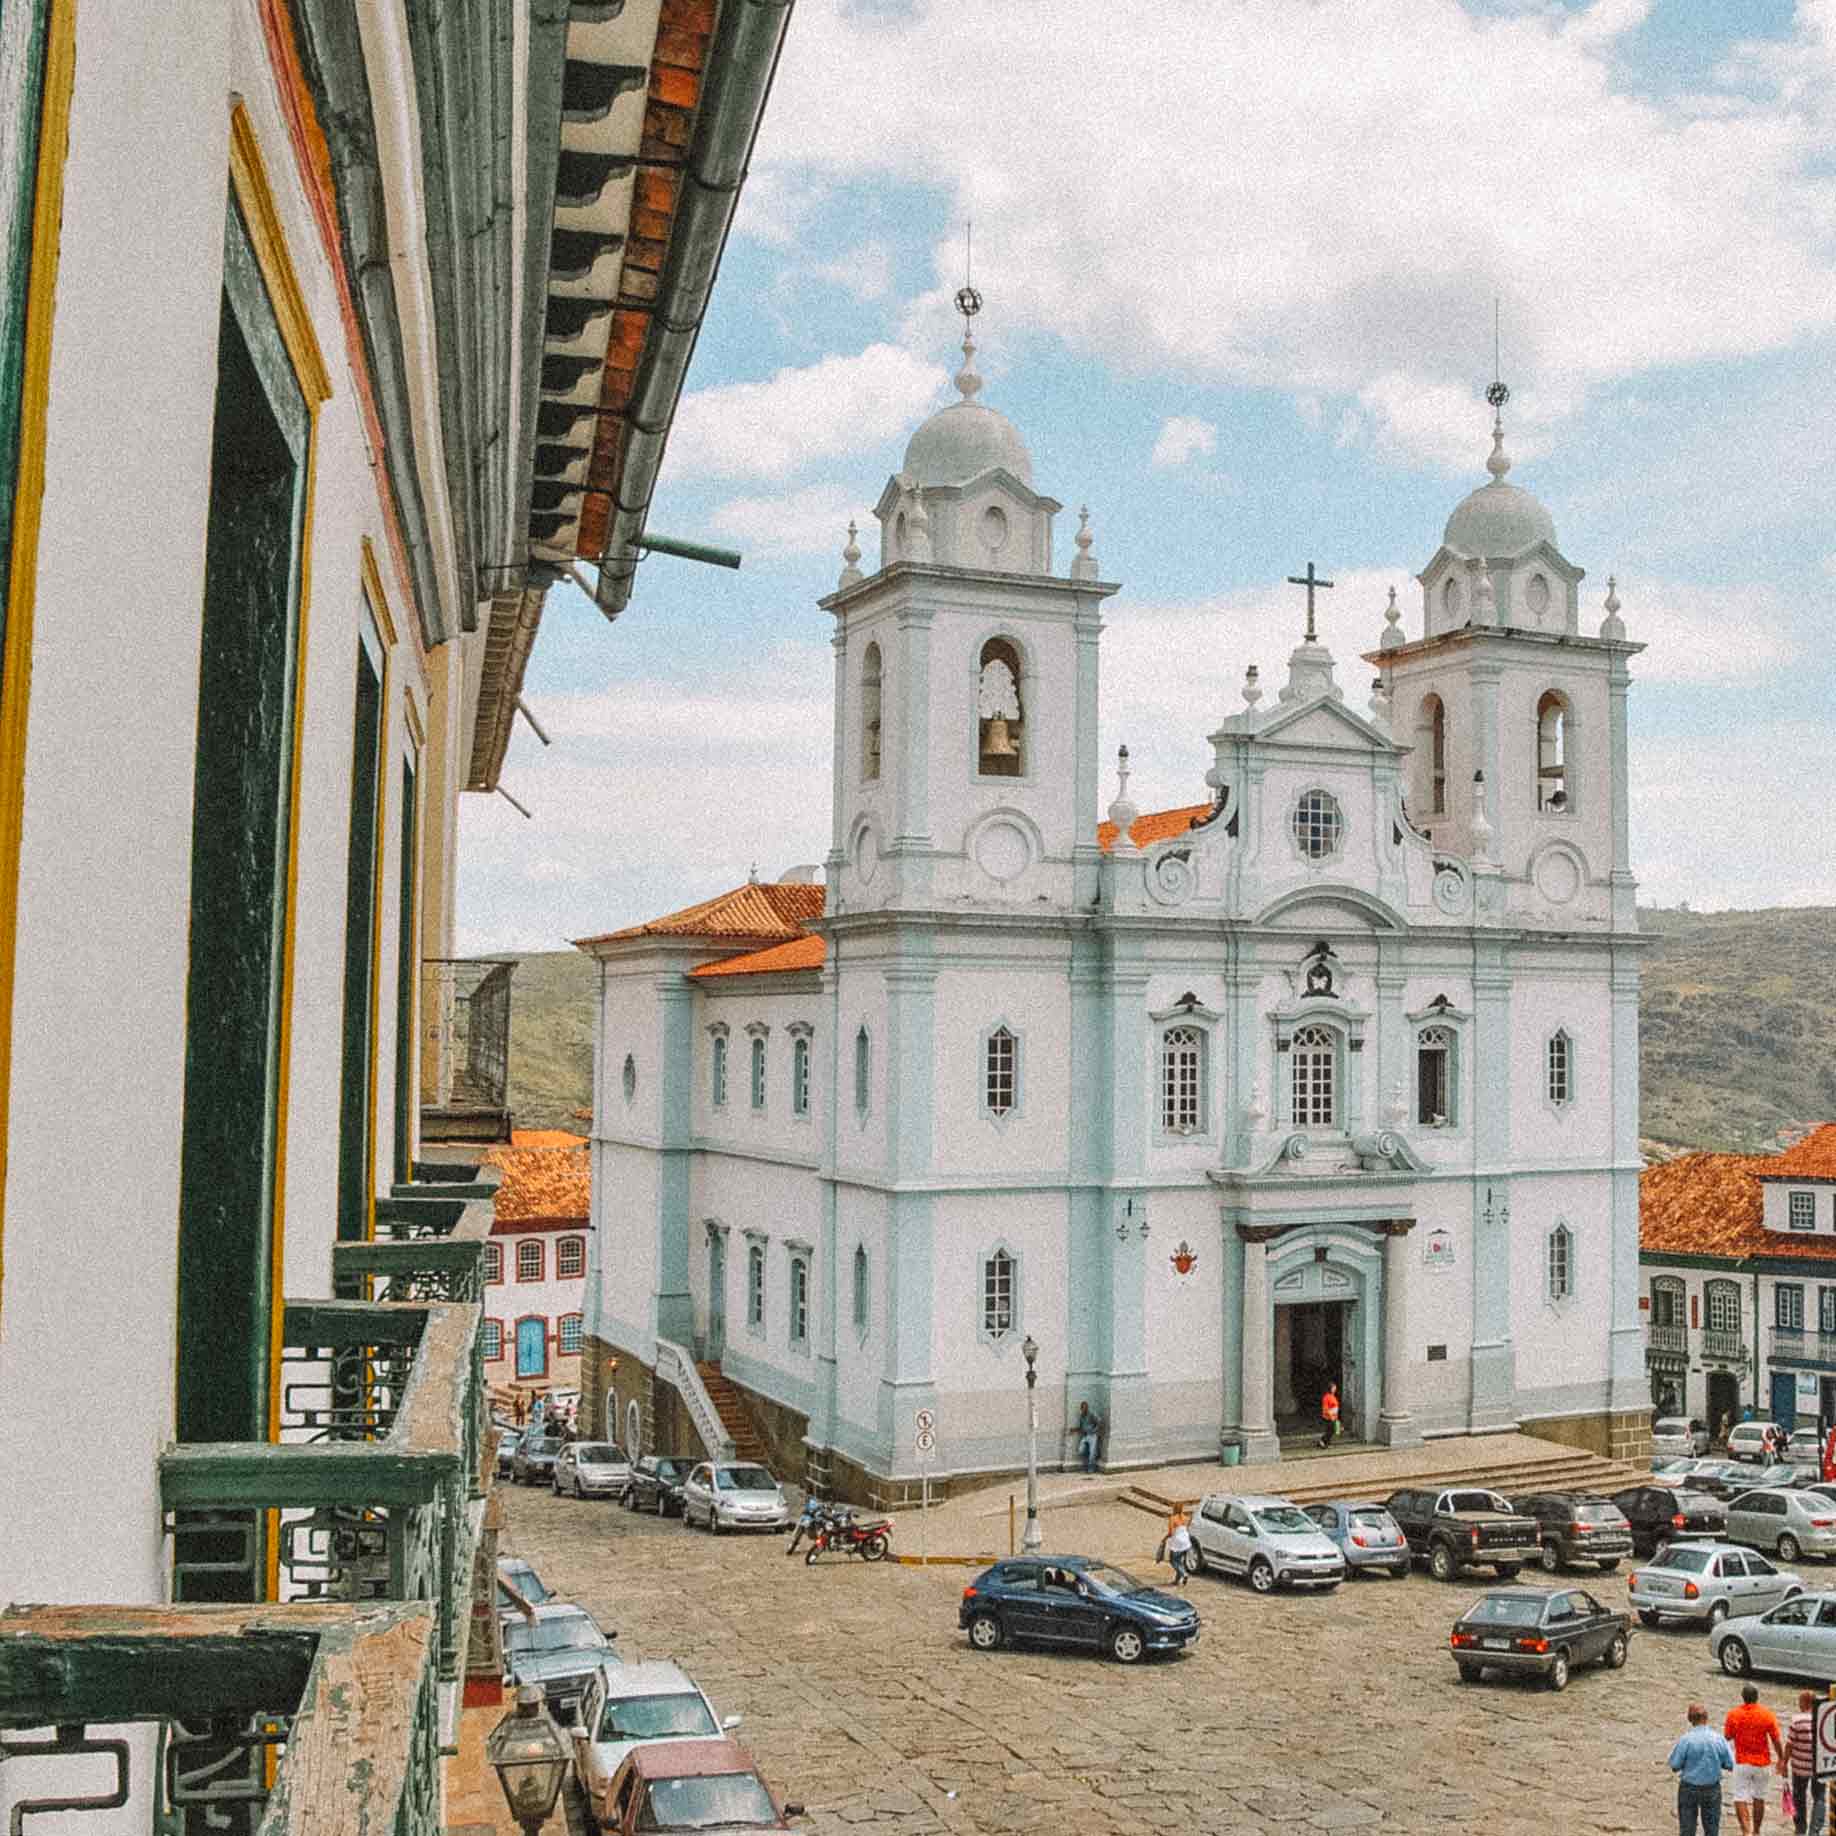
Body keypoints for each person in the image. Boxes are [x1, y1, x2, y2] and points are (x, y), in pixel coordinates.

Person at [1725, 1683, 1787, 1836]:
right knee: (1760, 1797)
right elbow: (1776, 1740)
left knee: (1740, 1796)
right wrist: (1781, 1759)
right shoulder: (1767, 1715)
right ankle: (1757, 1831)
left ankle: (1745, 1830)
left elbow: (1727, 1736)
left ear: (1743, 1697)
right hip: (1762, 1762)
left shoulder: (1734, 1714)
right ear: (1757, 1697)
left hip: (1742, 1762)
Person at [1670, 1701, 1736, 1836]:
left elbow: (1674, 1765)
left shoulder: (1686, 1740)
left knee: (1687, 1830)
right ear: (1706, 1718)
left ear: (1690, 1719)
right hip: (1712, 1789)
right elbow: (1730, 1764)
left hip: (1688, 1789)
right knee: (1712, 1830)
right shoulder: (1719, 1739)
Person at [1787, 1690, 1826, 1836]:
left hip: (1799, 1767)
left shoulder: (1797, 1720)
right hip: (1819, 1767)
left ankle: (1800, 1828)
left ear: (1804, 1702)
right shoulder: (1822, 1719)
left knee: (1798, 1797)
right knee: (1819, 1797)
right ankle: (1814, 1831)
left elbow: (1789, 1744)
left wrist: (1784, 1762)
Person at [1163, 1506, 1192, 1587]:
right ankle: (1177, 1581)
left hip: (1177, 1543)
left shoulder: (1172, 1519)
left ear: (1174, 1509)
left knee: (1173, 1561)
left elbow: (1171, 1533)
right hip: (1186, 1542)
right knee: (1179, 1561)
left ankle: (1184, 1574)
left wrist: (1165, 1538)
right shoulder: (1186, 1518)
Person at [1075, 1401, 1102, 1475]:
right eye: (1082, 1408)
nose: (1083, 1409)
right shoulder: (1081, 1416)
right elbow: (1081, 1427)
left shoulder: (1091, 1414)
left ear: (1087, 1408)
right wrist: (1074, 1430)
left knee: (1092, 1452)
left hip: (1092, 1435)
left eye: (1085, 1407)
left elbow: (1099, 1421)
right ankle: (1087, 1464)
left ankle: (1091, 1468)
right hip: (1085, 1435)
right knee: (1081, 1451)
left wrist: (1094, 1430)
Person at [1318, 1381, 1341, 1449]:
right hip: (1329, 1417)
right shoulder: (1326, 1397)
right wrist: (1331, 1416)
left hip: (1334, 1416)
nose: (1335, 1389)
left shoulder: (1332, 1396)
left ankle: (1327, 1442)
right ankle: (1322, 1441)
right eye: (1333, 1388)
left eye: (1335, 1388)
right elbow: (1326, 1408)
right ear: (1330, 1388)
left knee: (1333, 1430)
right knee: (1330, 1430)